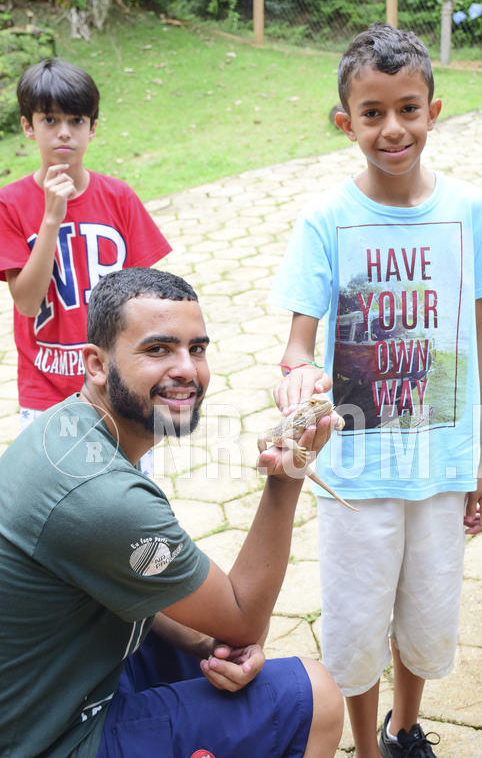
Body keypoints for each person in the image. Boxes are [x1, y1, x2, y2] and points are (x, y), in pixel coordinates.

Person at [269, 23, 482, 758]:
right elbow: (295, 347)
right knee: (355, 624)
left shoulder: (470, 213)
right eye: (372, 113)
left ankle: (405, 730)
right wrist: (298, 382)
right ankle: (366, 749)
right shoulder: (325, 221)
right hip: (357, 476)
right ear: (346, 122)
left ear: (434, 111)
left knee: (429, 614)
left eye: (408, 108)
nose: (393, 128)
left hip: (442, 466)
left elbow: (478, 344)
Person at [0, 266, 344, 757]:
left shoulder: (69, 429)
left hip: (49, 688)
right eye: (158, 349)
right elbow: (244, 618)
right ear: (96, 364)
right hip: (50, 739)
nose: (186, 368)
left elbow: (140, 584)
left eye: (196, 348)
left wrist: (210, 646)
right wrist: (287, 479)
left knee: (216, 645)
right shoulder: (101, 494)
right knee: (316, 695)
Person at [0, 58, 171, 470]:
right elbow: (26, 302)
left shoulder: (118, 198)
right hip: (47, 392)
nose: (63, 132)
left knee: (129, 507)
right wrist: (51, 218)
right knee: (56, 511)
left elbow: (149, 296)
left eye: (76, 120)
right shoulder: (11, 203)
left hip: (119, 388)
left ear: (92, 127)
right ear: (28, 126)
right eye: (49, 119)